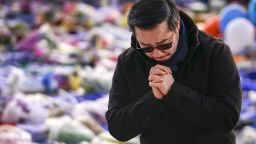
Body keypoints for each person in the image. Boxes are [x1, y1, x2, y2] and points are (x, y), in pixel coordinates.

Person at [105, 0, 242, 143]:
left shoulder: (215, 52)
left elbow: (227, 117)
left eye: (164, 44)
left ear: (176, 25)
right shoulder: (128, 62)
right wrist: (154, 99)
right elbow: (117, 128)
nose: (157, 54)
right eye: (146, 47)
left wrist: (173, 90)